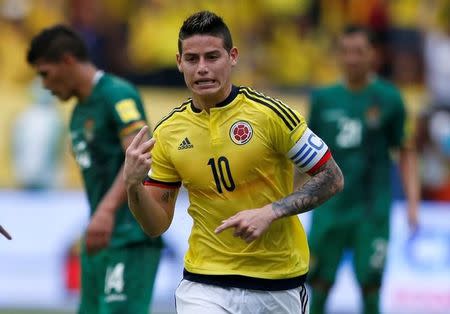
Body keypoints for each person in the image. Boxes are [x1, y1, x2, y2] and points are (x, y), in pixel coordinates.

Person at [123, 11, 344, 314]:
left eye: (212, 57)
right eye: (192, 59)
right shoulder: (169, 133)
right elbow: (155, 225)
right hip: (204, 282)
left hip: (277, 282)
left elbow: (332, 177)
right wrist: (133, 185)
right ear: (179, 62)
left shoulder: (271, 115)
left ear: (233, 57)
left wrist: (270, 212)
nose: (202, 69)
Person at [26, 25, 162, 314]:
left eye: (45, 73)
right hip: (100, 237)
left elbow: (137, 155)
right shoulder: (78, 112)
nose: (45, 85)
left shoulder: (117, 94)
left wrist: (107, 211)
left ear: (67, 61)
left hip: (129, 237)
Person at [306, 25, 420, 314]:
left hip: (372, 209)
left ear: (374, 55)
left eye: (359, 51)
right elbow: (303, 157)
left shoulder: (390, 98)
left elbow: (405, 152)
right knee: (317, 284)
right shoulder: (323, 99)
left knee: (371, 286)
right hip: (328, 208)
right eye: (345, 51)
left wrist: (413, 205)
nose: (351, 58)